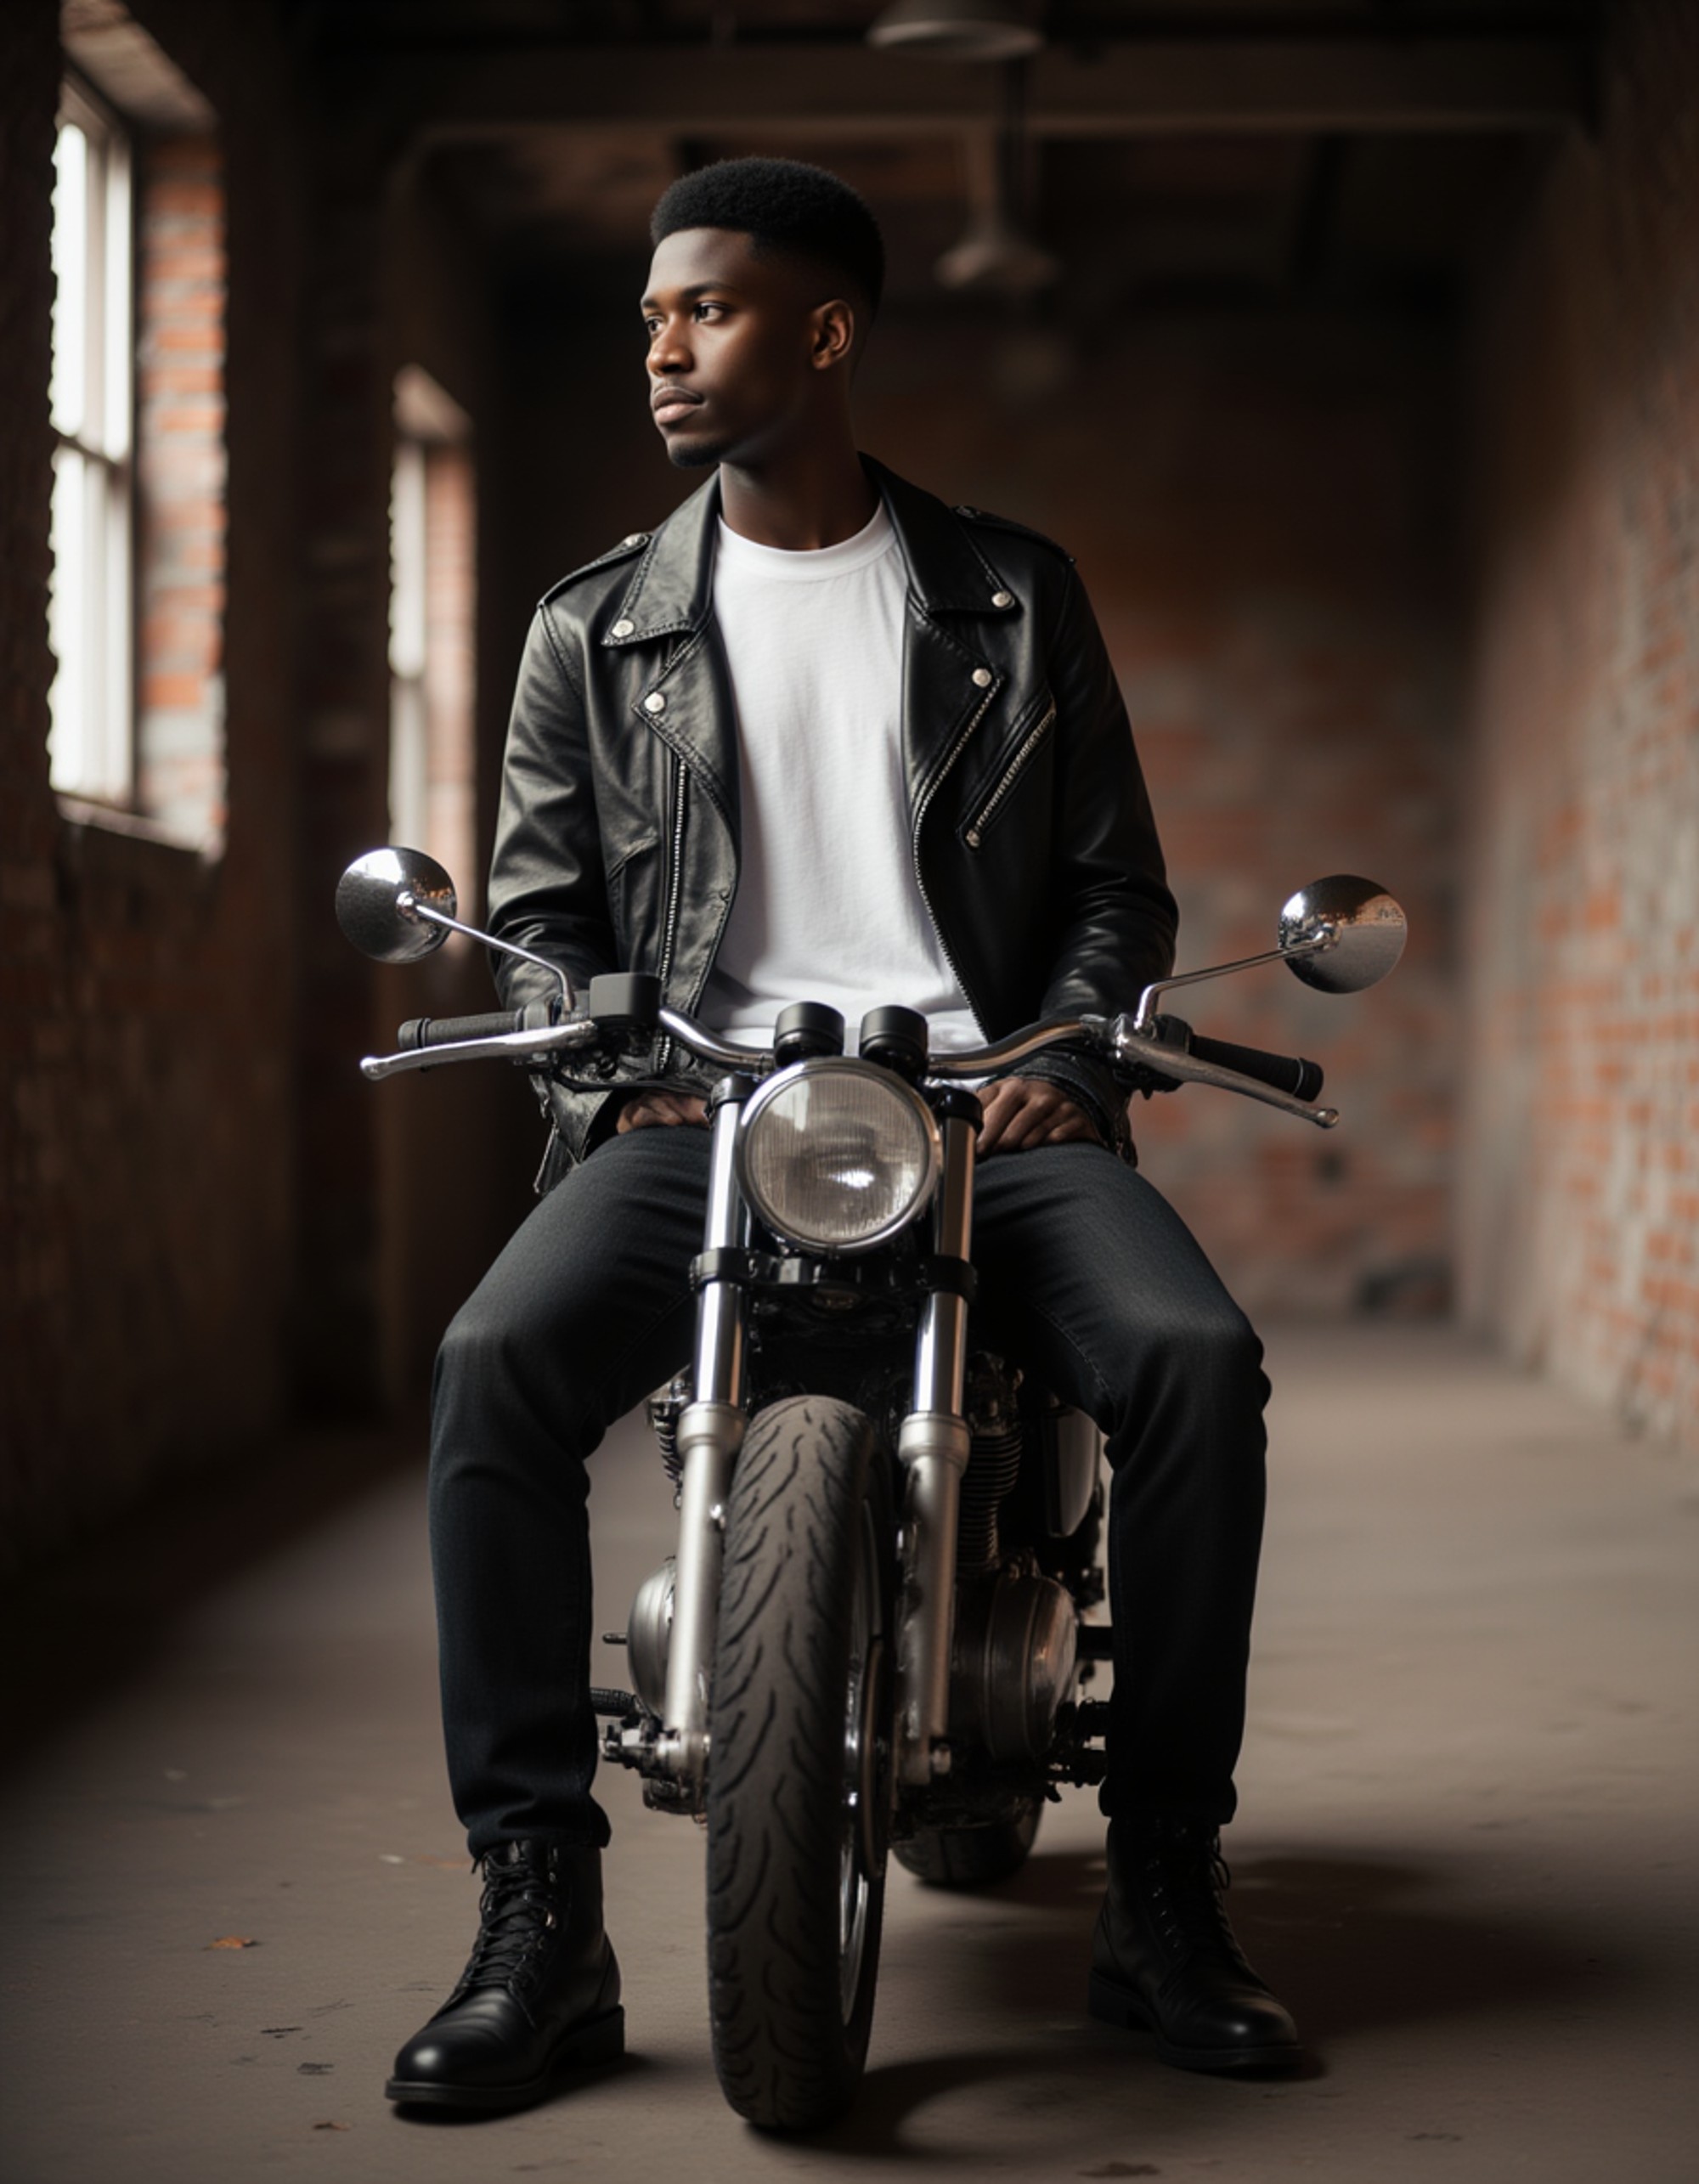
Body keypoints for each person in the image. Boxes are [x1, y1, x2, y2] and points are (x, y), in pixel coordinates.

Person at [386, 157, 1299, 2115]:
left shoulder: (1008, 594)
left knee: (1194, 1364)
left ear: (825, 330)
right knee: (489, 1367)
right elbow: (546, 915)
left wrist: (1066, 1044)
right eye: (648, 314)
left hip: (992, 1103)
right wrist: (604, 1066)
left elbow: (1113, 893)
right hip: (700, 1100)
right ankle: (537, 1910)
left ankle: (1157, 1883)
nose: (662, 346)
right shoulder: (593, 629)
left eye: (703, 308)